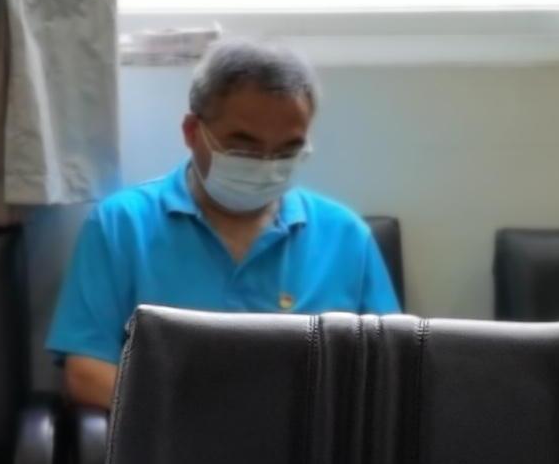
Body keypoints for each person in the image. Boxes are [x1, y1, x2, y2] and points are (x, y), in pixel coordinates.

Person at [48, 37, 400, 410]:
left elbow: (391, 370)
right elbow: (86, 372)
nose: (266, 164)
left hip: (310, 437)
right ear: (192, 132)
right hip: (171, 435)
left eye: (287, 150)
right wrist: (195, 419)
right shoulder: (121, 225)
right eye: (243, 146)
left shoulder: (346, 237)